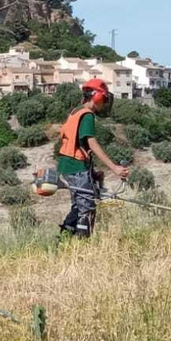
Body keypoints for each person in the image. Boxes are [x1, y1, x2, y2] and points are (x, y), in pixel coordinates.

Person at [57, 77, 128, 237]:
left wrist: (92, 172)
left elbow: (80, 145)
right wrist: (114, 168)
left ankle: (64, 240)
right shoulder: (87, 115)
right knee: (87, 208)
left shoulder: (76, 111)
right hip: (76, 166)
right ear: (97, 97)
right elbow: (92, 143)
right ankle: (83, 244)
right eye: (104, 99)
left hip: (68, 165)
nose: (105, 103)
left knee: (78, 206)